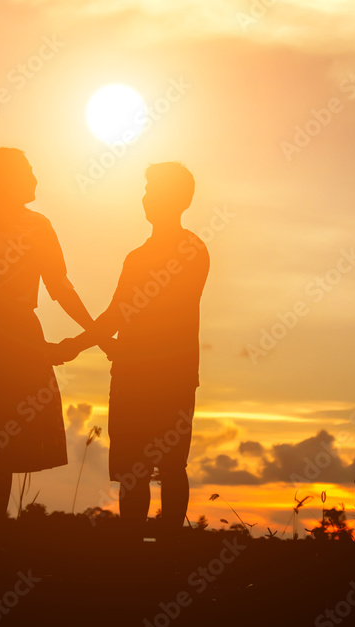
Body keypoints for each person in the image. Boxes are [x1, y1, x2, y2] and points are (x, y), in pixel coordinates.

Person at [50, 162, 209, 532]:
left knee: (169, 466)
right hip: (138, 374)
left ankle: (165, 547)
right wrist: (101, 341)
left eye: (154, 190)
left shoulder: (189, 251)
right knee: (136, 471)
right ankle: (135, 549)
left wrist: (77, 344)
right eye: (147, 189)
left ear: (179, 200)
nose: (147, 197)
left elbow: (124, 313)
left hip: (166, 376)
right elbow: (119, 315)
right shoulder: (141, 256)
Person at [0, 147, 95, 521]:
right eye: (28, 171)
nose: (35, 178)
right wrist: (97, 335)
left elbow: (59, 287)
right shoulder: (12, 227)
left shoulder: (13, 226)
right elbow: (59, 287)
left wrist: (95, 335)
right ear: (8, 180)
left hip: (5, 335)